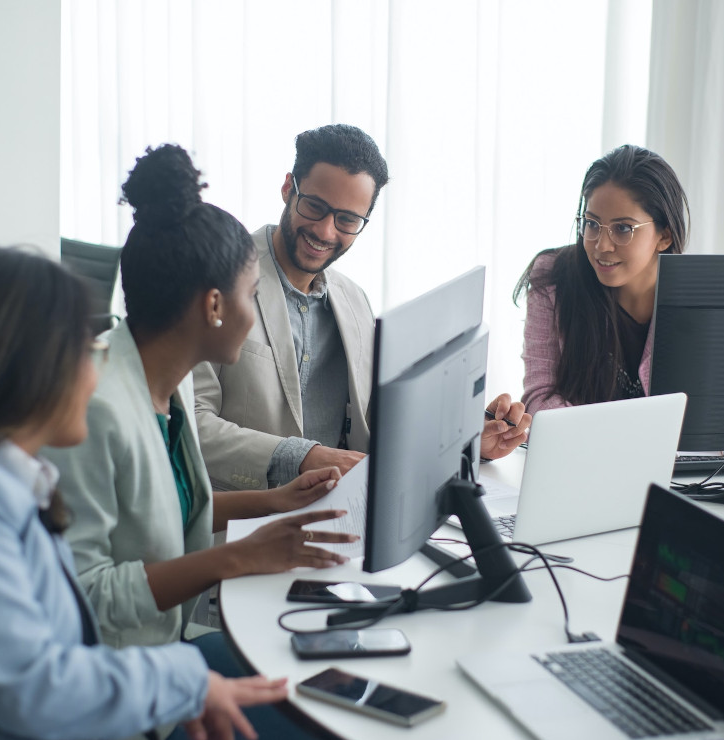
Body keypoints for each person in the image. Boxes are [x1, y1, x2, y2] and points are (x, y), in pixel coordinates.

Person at [45, 144, 366, 740]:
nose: (257, 313)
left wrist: (275, 500)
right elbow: (84, 599)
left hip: (168, 645)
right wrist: (237, 560)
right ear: (214, 306)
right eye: (252, 295)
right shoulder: (94, 412)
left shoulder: (168, 377)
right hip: (113, 685)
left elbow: (163, 499)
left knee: (358, 706)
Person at [0, 245, 289, 740]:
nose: (94, 368)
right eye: (80, 345)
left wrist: (272, 503)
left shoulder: (18, 485)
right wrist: (184, 684)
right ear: (23, 366)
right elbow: (39, 687)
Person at [194, 123, 528, 488]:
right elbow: (191, 422)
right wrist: (304, 457)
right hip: (243, 520)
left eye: (347, 220)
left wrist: (469, 437)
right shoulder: (216, 276)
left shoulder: (354, 301)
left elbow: (377, 422)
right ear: (289, 188)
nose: (325, 231)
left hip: (339, 513)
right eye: (315, 207)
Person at [513, 144, 689, 414]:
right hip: (579, 452)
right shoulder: (553, 280)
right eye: (592, 224)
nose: (601, 245)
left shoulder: (695, 297)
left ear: (664, 236)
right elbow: (539, 396)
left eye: (622, 228)